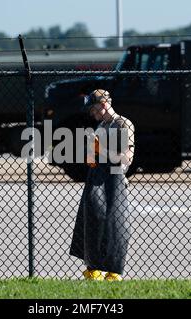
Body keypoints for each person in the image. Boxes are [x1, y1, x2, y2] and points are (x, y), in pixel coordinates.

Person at [70, 89, 135, 281]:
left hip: (114, 178)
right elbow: (93, 157)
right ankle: (94, 267)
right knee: (92, 220)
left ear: (104, 105)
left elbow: (126, 158)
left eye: (93, 109)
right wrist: (90, 154)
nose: (92, 113)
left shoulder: (122, 124)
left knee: (114, 224)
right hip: (96, 177)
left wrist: (102, 150)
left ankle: (114, 270)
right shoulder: (100, 127)